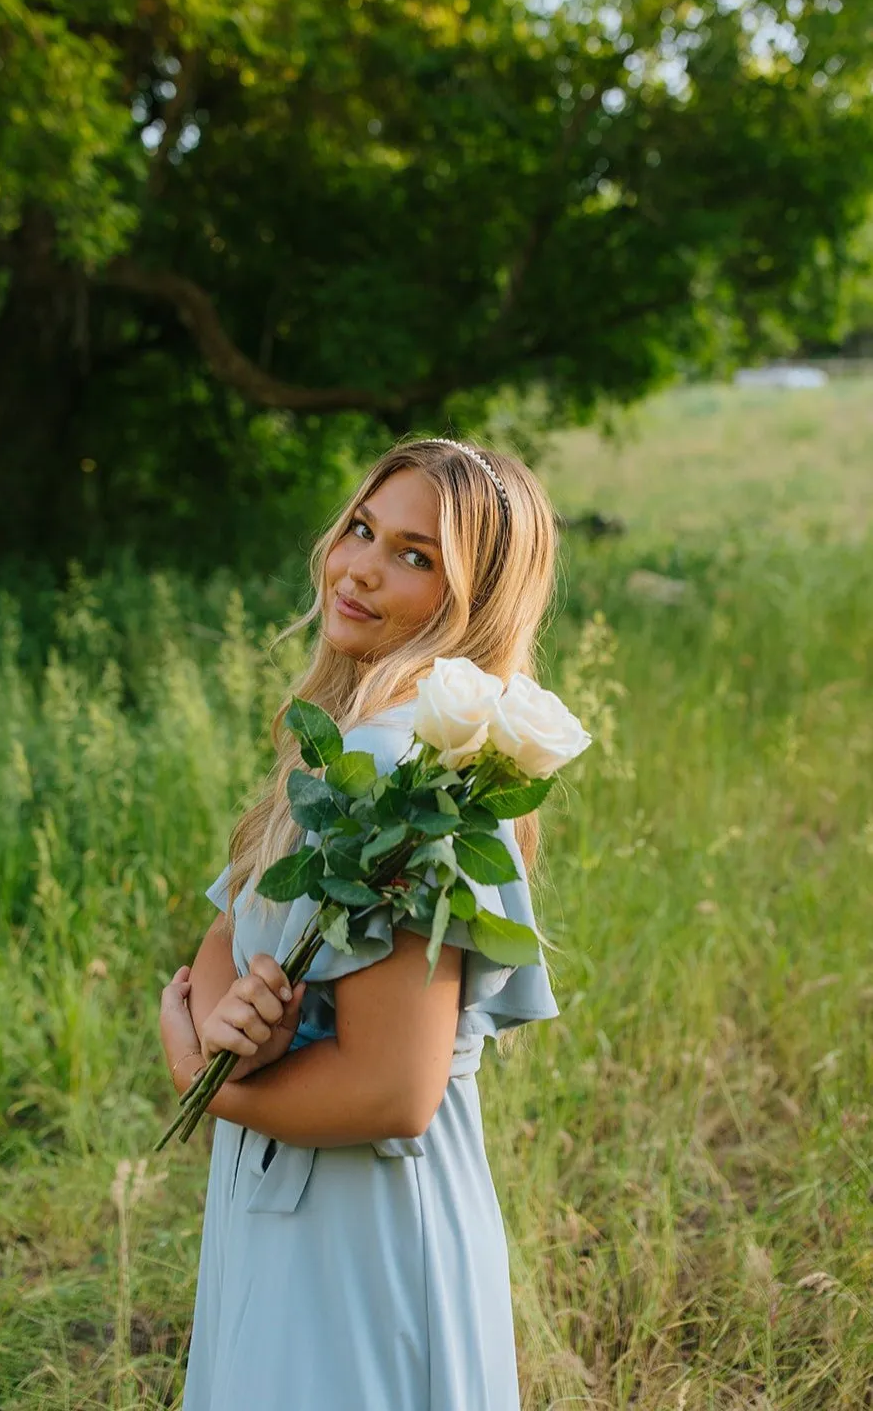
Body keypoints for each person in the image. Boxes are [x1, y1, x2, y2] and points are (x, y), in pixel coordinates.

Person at [158, 436, 561, 1411]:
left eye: (416, 557)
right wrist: (224, 1032)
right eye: (361, 530)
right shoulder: (351, 746)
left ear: (474, 600)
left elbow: (392, 1090)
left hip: (360, 1224)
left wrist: (206, 1081)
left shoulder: (410, 773)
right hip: (289, 1194)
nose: (360, 568)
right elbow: (227, 926)